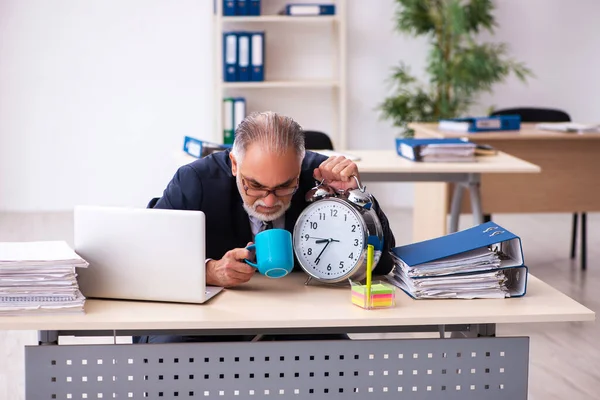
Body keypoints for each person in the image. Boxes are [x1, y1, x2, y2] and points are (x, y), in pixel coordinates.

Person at [138, 111, 396, 343]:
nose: (270, 200)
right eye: (255, 185)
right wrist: (208, 271)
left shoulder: (321, 178)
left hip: (304, 320)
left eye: (285, 186)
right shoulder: (195, 181)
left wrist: (355, 200)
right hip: (210, 323)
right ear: (234, 164)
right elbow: (148, 259)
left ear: (300, 166)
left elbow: (383, 262)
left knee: (343, 366)